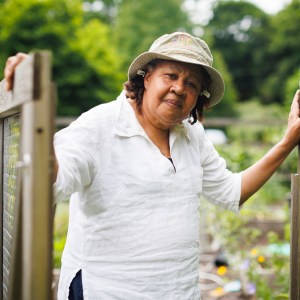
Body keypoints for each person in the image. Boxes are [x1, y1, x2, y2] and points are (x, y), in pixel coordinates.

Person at [4, 32, 300, 300]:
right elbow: (53, 182)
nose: (179, 88)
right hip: (104, 291)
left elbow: (230, 191)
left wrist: (288, 141)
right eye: (170, 75)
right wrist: (33, 112)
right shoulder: (99, 126)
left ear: (199, 97)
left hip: (179, 291)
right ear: (146, 78)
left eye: (192, 84)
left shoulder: (191, 134)